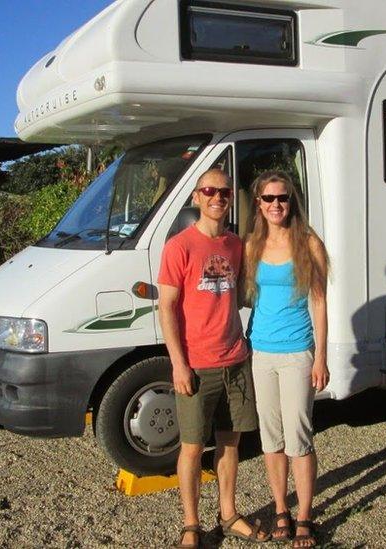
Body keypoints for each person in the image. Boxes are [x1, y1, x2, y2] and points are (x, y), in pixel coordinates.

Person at [158, 169, 270, 549]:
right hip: (196, 364)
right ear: (196, 197)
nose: (217, 197)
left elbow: (243, 294)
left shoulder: (235, 246)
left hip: (235, 360)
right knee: (191, 447)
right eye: (209, 190)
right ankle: (191, 525)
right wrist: (178, 363)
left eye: (223, 191)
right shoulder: (179, 246)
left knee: (229, 443)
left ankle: (228, 514)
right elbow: (167, 308)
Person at [242, 170, 329, 548]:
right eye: (268, 199)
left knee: (299, 439)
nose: (276, 205)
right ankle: (281, 509)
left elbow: (320, 302)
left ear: (292, 202)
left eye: (283, 198)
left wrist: (320, 357)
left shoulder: (309, 243)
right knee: (272, 439)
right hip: (261, 352)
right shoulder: (251, 246)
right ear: (258, 205)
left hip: (297, 353)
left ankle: (306, 515)